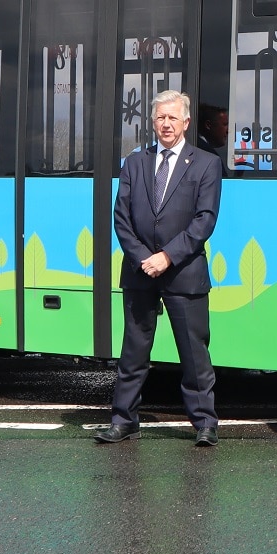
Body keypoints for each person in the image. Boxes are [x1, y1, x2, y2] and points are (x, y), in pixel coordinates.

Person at [97, 90, 224, 446]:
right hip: (140, 272)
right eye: (160, 118)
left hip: (184, 272)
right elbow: (121, 218)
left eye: (173, 118)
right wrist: (142, 257)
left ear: (186, 123)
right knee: (133, 352)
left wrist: (167, 256)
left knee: (194, 352)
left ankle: (204, 423)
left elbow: (205, 220)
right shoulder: (134, 163)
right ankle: (124, 419)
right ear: (152, 123)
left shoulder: (206, 164)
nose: (166, 124)